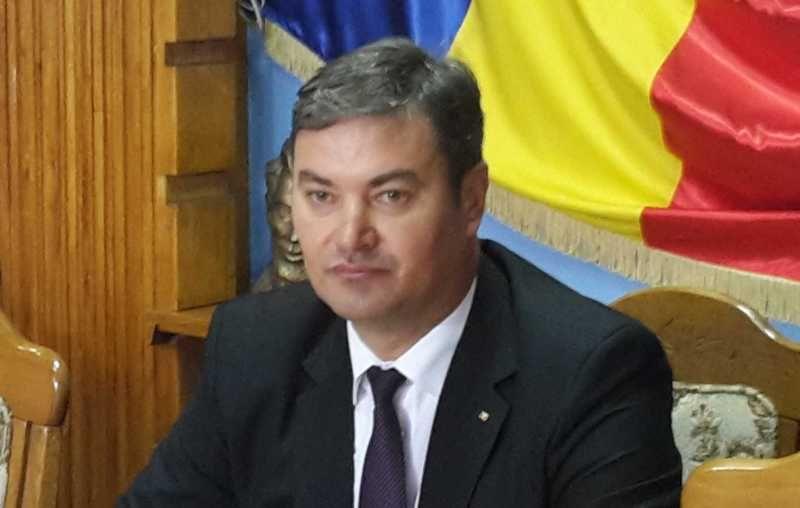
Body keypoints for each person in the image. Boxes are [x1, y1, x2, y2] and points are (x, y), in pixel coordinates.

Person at [119, 37, 681, 507]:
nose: (349, 236)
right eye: (321, 196)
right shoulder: (255, 348)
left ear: (471, 200)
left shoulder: (591, 373)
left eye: (389, 195)